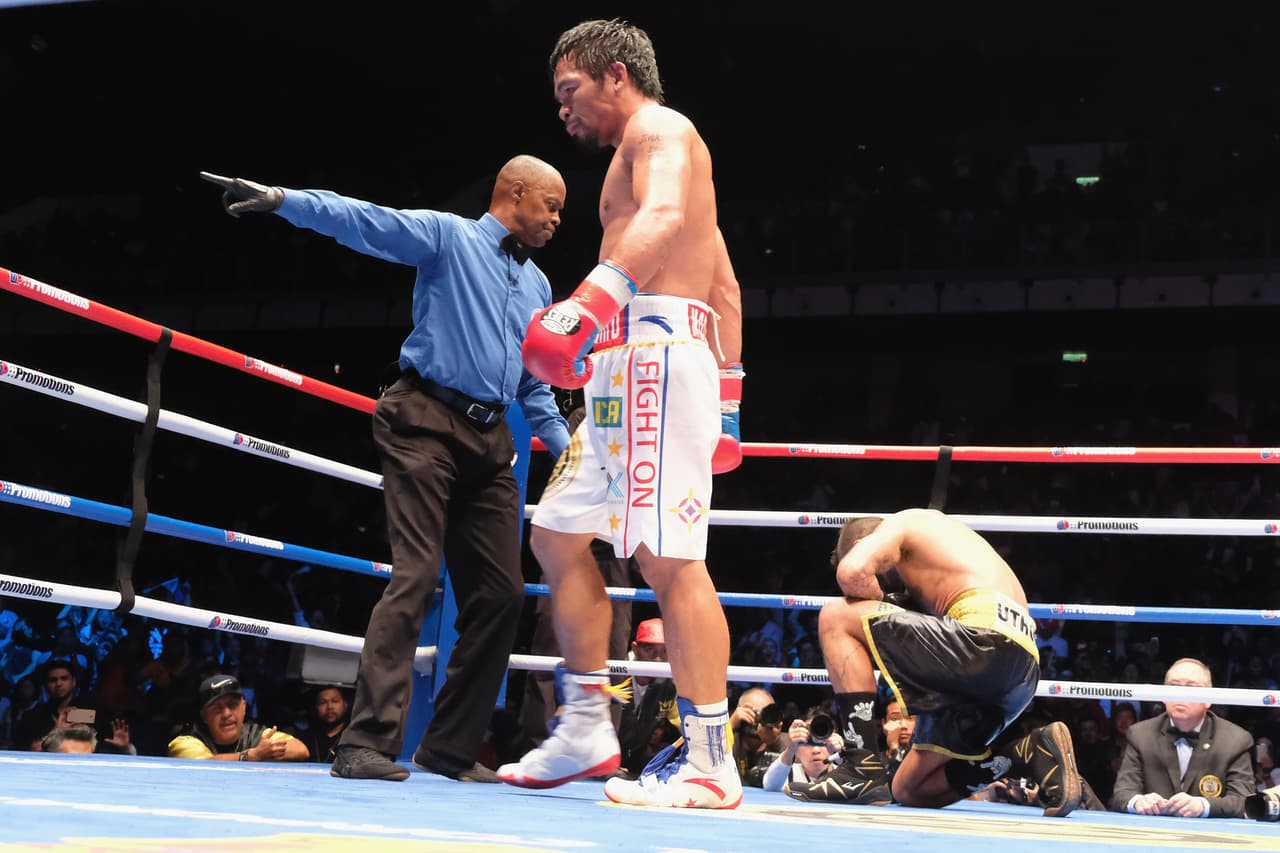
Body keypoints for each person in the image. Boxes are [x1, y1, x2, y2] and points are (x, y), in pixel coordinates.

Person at [202, 155, 571, 783]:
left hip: (489, 439)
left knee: (503, 594)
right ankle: (363, 743)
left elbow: (537, 383)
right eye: (552, 205)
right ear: (515, 193)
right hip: (423, 417)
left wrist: (566, 451)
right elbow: (365, 221)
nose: (558, 220)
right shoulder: (450, 237)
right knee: (418, 573)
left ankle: (449, 750)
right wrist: (283, 199)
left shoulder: (538, 287)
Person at [497, 18, 745, 810]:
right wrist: (731, 406)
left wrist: (585, 304)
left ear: (614, 75)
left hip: (654, 356)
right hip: (629, 360)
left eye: (570, 92)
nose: (563, 112)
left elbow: (665, 220)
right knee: (558, 534)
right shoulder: (635, 157)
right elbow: (727, 285)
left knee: (667, 559)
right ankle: (585, 727)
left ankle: (711, 761)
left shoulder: (660, 129)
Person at [786, 509, 1083, 817]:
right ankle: (1026, 752)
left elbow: (852, 573)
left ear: (863, 542)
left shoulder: (901, 524)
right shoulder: (948, 546)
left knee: (836, 616)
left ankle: (861, 766)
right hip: (1020, 674)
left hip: (980, 643)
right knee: (909, 789)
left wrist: (877, 600)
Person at [1110, 657, 1254, 817]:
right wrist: (1137, 801)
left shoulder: (1235, 740)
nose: (1181, 693)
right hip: (1152, 832)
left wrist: (1203, 806)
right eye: (1174, 686)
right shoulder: (1140, 734)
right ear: (1163, 695)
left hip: (1210, 835)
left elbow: (1244, 801)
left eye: (1191, 687)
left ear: (1208, 699)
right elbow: (1121, 794)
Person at [168, 674, 309, 762]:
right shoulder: (185, 742)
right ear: (204, 716)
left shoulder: (256, 735)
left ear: (243, 707)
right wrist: (251, 756)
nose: (226, 714)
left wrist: (260, 753)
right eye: (217, 708)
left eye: (232, 705)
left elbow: (301, 750)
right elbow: (207, 763)